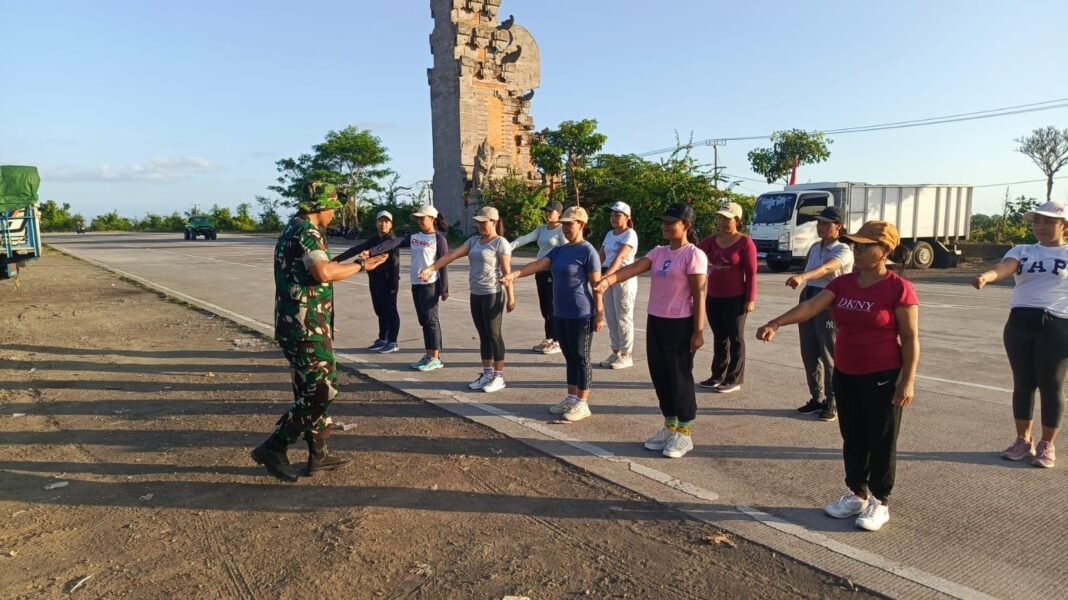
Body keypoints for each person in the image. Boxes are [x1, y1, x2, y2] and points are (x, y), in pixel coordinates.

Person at [756, 221, 919, 532]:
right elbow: (813, 306)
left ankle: (880, 501)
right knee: (853, 436)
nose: (857, 250)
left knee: (881, 440)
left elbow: (910, 338)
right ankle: (857, 493)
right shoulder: (843, 284)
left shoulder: (898, 288)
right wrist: (776, 323)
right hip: (846, 373)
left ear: (884, 251)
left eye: (865, 246)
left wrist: (907, 380)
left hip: (883, 375)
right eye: (855, 245)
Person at [252, 182, 388, 482]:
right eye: (333, 208)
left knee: (307, 387)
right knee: (323, 389)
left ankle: (318, 453)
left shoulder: (293, 229)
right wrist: (362, 267)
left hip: (300, 322)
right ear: (320, 207)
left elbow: (311, 274)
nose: (334, 214)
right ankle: (275, 446)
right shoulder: (307, 233)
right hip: (305, 327)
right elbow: (324, 273)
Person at [596, 203, 706, 458]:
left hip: (681, 323)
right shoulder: (659, 252)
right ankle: (669, 426)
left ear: (686, 225)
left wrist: (698, 330)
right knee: (659, 374)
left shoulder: (693, 255)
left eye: (672, 222)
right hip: (656, 320)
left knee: (679, 376)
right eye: (664, 222)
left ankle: (684, 432)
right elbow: (633, 268)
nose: (666, 226)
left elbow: (700, 295)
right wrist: (608, 280)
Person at [973, 200, 1068, 469]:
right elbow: (1005, 268)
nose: (1041, 226)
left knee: (1051, 385)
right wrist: (987, 276)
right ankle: (1022, 440)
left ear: (1064, 225)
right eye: (1037, 221)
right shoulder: (1023, 250)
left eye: (1048, 221)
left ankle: (1047, 445)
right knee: (1023, 383)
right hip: (1019, 324)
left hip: (1057, 325)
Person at [502, 206, 605, 421]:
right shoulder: (560, 250)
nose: (566, 227)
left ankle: (583, 403)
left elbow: (597, 285)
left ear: (582, 225)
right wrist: (515, 275)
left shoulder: (588, 251)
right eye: (564, 223)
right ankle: (571, 397)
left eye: (570, 224)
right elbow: (539, 264)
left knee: (581, 358)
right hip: (561, 313)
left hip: (581, 313)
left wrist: (599, 314)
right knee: (569, 357)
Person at [419, 206, 515, 393]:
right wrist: (431, 268)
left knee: (494, 335)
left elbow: (507, 272)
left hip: (492, 294)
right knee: (483, 335)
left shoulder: (500, 243)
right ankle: (487, 373)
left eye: (482, 222)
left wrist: (511, 297)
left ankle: (499, 376)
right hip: (476, 294)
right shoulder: (474, 241)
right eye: (477, 222)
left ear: (493, 222)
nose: (479, 225)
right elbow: (451, 255)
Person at [785, 206, 854, 421]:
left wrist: (803, 276)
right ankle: (816, 398)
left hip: (828, 299)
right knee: (809, 351)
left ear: (838, 226)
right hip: (810, 295)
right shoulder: (815, 247)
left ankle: (833, 402)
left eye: (826, 223)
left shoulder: (842, 249)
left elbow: (826, 269)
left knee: (828, 354)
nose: (820, 227)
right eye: (819, 223)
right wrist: (806, 281)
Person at [367, 206, 450, 371]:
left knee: (431, 321)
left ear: (432, 219)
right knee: (423, 321)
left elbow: (443, 265)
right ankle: (428, 355)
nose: (419, 221)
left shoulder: (438, 239)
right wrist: (371, 251)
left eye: (422, 218)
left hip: (431, 285)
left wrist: (444, 289)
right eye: (418, 219)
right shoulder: (415, 237)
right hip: (416, 284)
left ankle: (435, 357)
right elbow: (393, 243)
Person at [698, 202, 757, 393]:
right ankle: (717, 375)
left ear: (737, 221)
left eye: (726, 218)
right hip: (714, 296)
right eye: (720, 218)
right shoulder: (712, 240)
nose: (722, 222)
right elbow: (695, 254)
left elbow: (752, 273)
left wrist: (750, 299)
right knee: (719, 337)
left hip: (736, 297)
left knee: (735, 338)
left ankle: (734, 378)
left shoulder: (744, 242)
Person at [333, 210, 401, 353]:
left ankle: (393, 342)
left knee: (390, 312)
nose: (383, 224)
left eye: (386, 221)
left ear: (391, 224)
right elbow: (355, 249)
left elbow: (395, 264)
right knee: (380, 311)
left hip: (388, 282)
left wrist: (394, 286)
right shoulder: (375, 240)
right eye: (380, 221)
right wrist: (336, 260)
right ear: (376, 223)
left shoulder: (392, 241)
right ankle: (382, 338)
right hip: (374, 280)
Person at [510, 201, 568, 354]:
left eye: (551, 211)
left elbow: (566, 250)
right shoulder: (541, 229)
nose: (547, 214)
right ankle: (549, 338)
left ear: (559, 213)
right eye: (546, 211)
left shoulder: (562, 230)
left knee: (553, 306)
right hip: (540, 270)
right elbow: (524, 239)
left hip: (553, 272)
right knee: (545, 307)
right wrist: (507, 246)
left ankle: (557, 341)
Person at [598, 201, 638, 369]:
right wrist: (595, 273)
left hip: (623, 276)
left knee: (623, 316)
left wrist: (606, 277)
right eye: (612, 214)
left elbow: (620, 258)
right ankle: (615, 352)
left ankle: (626, 354)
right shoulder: (610, 234)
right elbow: (601, 254)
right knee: (611, 316)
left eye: (617, 214)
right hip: (607, 276)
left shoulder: (630, 234)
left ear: (627, 217)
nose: (613, 218)